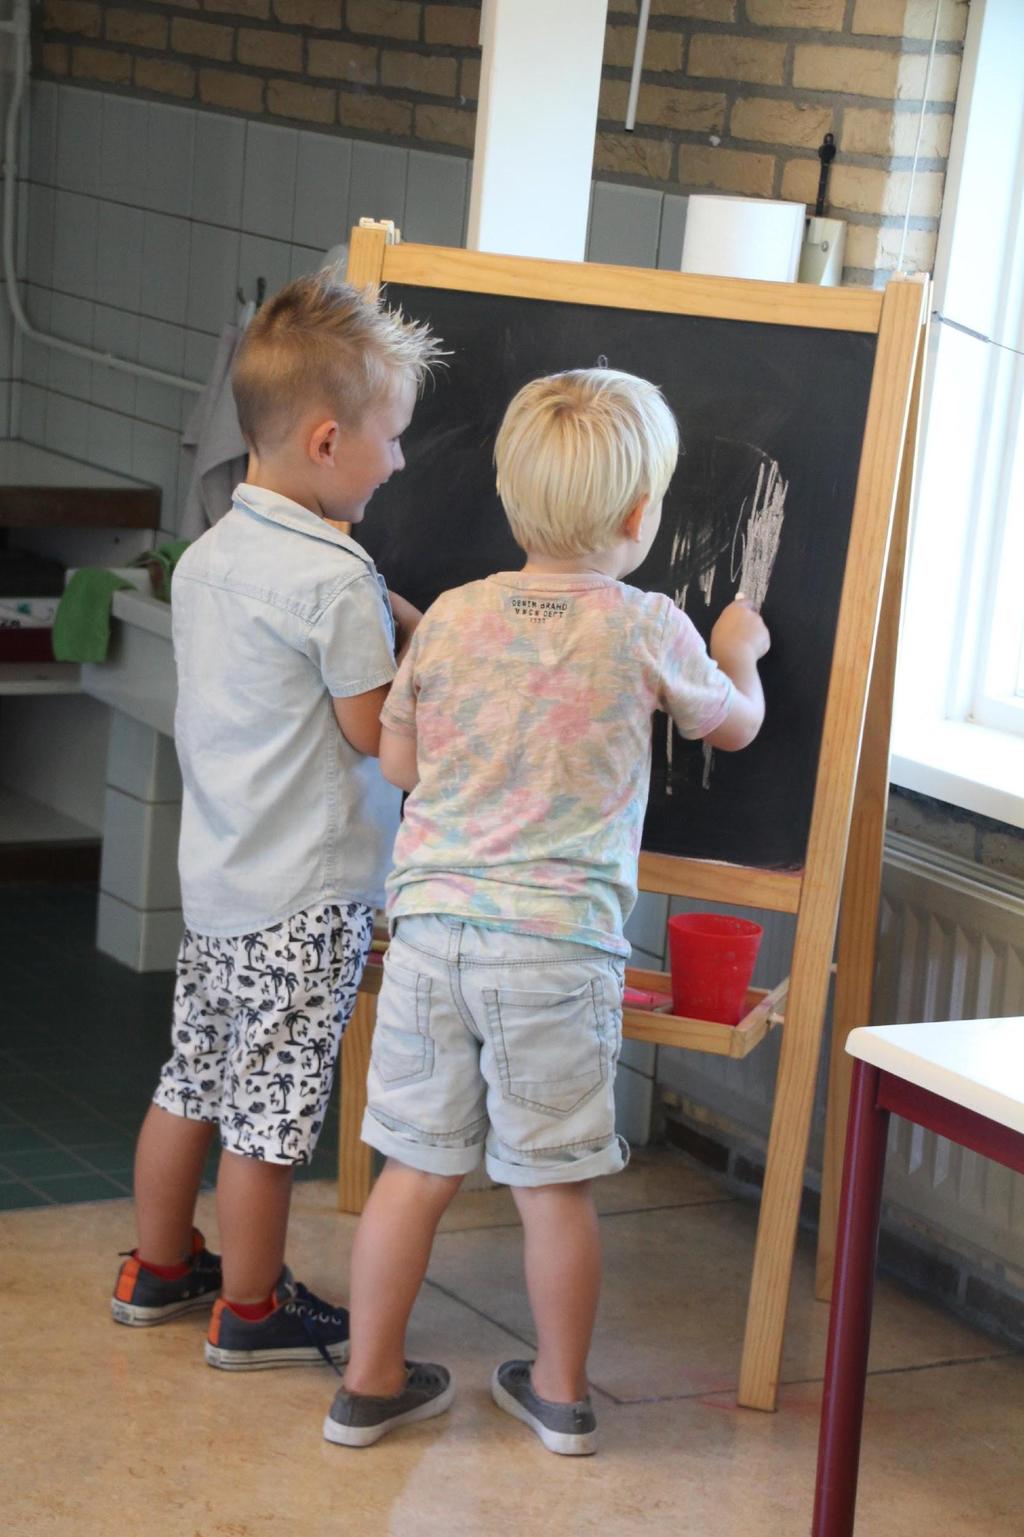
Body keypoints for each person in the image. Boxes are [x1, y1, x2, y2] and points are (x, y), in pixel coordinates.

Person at [323, 367, 770, 1452]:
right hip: (554, 950)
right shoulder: (648, 626)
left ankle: (370, 1383)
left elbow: (400, 762)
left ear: (511, 497)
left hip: (430, 937)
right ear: (636, 514)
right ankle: (562, 1396)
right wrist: (739, 655)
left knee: (414, 1169)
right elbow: (736, 728)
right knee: (552, 1184)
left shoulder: (457, 618)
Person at [111, 272, 443, 1372]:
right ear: (326, 439)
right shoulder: (336, 578)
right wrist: (424, 656)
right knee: (269, 1116)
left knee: (190, 1082)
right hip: (305, 902)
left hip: (219, 881)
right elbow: (365, 731)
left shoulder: (210, 556)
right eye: (390, 439)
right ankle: (250, 1306)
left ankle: (160, 1267)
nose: (398, 460)